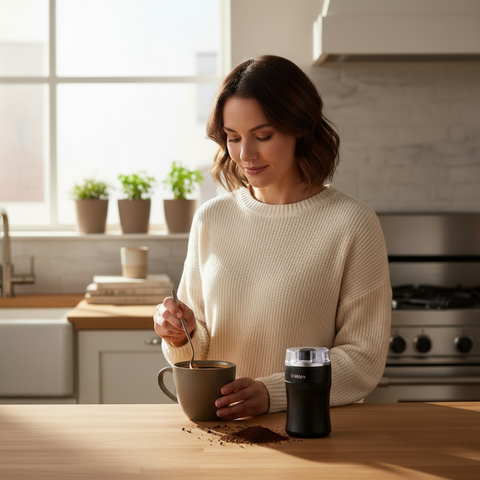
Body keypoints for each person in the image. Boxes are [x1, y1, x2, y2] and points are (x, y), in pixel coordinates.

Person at [154, 55, 391, 420]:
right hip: (225, 436)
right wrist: (178, 335)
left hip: (312, 433)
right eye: (233, 138)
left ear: (301, 129)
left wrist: (274, 393)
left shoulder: (352, 224)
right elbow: (197, 351)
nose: (245, 155)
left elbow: (364, 357)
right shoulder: (211, 219)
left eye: (263, 136)